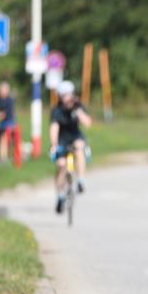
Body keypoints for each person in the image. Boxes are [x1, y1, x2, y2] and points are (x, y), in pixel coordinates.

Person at [48, 80, 92, 214]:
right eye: (64, 95)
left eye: (69, 95)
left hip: (75, 137)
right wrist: (54, 145)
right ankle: (60, 195)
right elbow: (54, 128)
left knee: (79, 150)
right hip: (62, 140)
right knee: (62, 165)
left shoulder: (78, 106)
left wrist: (78, 112)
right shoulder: (57, 111)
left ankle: (81, 181)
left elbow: (88, 123)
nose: (67, 98)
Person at [0, 81, 16, 162]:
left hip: (9, 122)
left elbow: (5, 113)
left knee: (5, 138)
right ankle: (2, 156)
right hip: (2, 124)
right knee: (0, 138)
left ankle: (4, 157)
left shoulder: (9, 100)